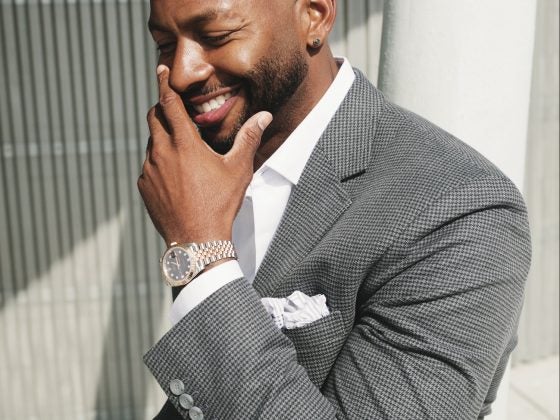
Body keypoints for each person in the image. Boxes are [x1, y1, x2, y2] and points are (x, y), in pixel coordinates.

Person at [137, 0, 531, 419]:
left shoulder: (463, 212)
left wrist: (200, 253)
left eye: (216, 36)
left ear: (315, 15)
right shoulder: (202, 169)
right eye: (165, 45)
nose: (181, 73)